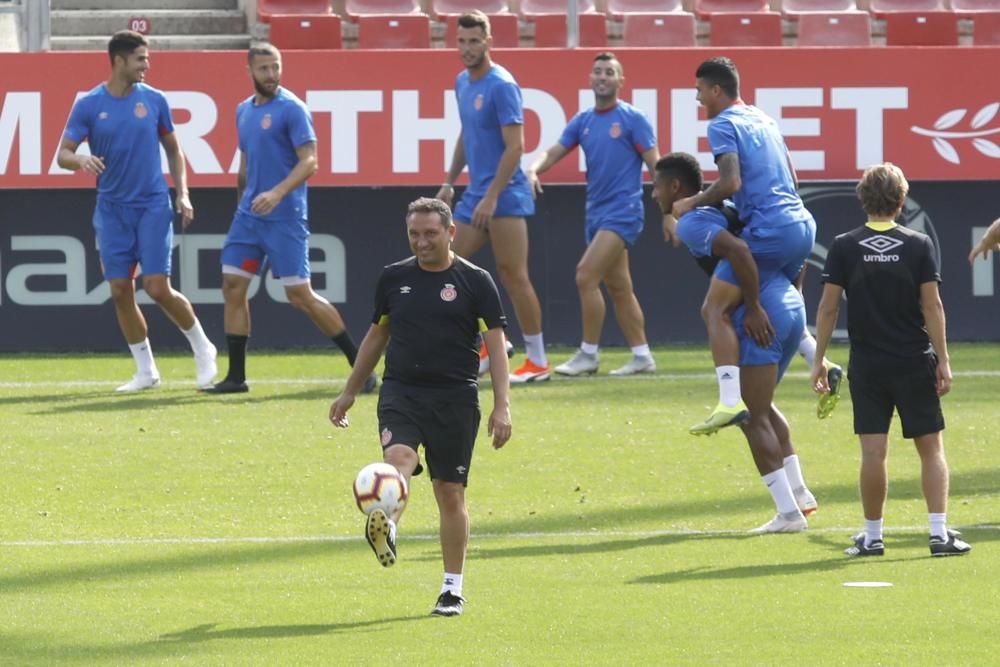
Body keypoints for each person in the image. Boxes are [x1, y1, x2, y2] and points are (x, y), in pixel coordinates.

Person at [330, 197, 512, 617]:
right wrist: (350, 390)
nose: (421, 241)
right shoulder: (394, 278)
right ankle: (387, 521)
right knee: (398, 458)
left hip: (455, 398)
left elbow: (496, 347)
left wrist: (503, 406)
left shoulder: (475, 281)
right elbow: (376, 336)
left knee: (449, 493)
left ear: (450, 233)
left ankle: (452, 588)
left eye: (430, 233)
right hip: (402, 392)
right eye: (414, 233)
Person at [671, 56, 840, 434]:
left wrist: (691, 202)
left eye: (700, 91)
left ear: (716, 90)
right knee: (778, 301)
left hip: (772, 230)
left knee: (715, 309)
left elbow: (730, 181)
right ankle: (822, 364)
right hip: (801, 224)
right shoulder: (764, 119)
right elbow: (792, 177)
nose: (698, 99)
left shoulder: (722, 124)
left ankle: (730, 402)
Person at [812, 163, 970, 557]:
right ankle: (938, 534)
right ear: (901, 201)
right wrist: (944, 360)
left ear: (862, 199)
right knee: (931, 449)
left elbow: (828, 309)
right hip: (915, 359)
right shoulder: (918, 245)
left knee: (872, 452)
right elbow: (932, 306)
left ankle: (873, 536)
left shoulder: (845, 245)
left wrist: (819, 359)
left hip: (867, 364)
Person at [654, 153, 816, 531]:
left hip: (765, 315)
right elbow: (790, 251)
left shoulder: (693, 221)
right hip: (789, 305)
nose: (653, 194)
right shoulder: (730, 208)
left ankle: (789, 514)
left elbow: (740, 253)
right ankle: (801, 494)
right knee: (764, 407)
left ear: (676, 187)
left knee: (750, 415)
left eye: (656, 186)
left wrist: (757, 306)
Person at [203, 43, 375, 395]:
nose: (271, 75)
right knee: (233, 288)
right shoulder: (242, 111)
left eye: (275, 67)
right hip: (248, 218)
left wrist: (277, 192)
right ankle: (236, 378)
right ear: (249, 70)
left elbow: (310, 161)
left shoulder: (293, 109)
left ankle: (362, 368)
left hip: (285, 217)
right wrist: (243, 201)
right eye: (264, 68)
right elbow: (246, 163)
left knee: (300, 296)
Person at [57, 30, 217, 393]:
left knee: (158, 287)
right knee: (119, 289)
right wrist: (80, 159)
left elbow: (175, 151)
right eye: (141, 59)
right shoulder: (88, 104)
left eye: (147, 58)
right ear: (119, 61)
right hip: (111, 210)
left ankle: (202, 347)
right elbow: (62, 154)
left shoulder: (155, 100)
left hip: (152, 205)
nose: (147, 65)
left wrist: (184, 194)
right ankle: (146, 371)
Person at [526, 52, 658, 377]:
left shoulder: (633, 119)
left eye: (609, 72)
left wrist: (669, 212)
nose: (602, 76)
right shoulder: (583, 121)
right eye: (597, 71)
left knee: (585, 275)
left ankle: (589, 353)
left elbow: (658, 166)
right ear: (590, 78)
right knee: (619, 287)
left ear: (620, 80)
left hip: (624, 212)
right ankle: (642, 356)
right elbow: (553, 151)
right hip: (595, 214)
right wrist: (532, 169)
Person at [435, 10, 549, 384]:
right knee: (448, 267)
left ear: (488, 42)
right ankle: (488, 345)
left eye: (474, 41)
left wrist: (492, 196)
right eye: (462, 41)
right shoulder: (461, 82)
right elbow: (466, 135)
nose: (467, 48)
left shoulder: (502, 85)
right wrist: (451, 181)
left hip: (506, 194)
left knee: (514, 275)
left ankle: (538, 361)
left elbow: (515, 147)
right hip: (475, 195)